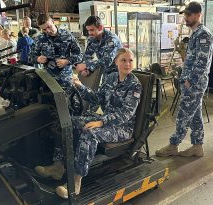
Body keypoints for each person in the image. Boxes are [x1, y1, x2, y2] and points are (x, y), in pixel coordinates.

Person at [34, 48, 142, 198]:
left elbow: (126, 114)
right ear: (116, 61)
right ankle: (58, 166)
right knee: (67, 122)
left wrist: (100, 122)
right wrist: (80, 86)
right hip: (105, 120)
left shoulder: (134, 85)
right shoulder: (110, 78)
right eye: (123, 60)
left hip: (122, 127)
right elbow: (98, 98)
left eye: (130, 60)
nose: (127, 64)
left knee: (90, 134)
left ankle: (76, 181)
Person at [155, 2, 213, 157]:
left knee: (183, 114)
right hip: (189, 81)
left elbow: (202, 62)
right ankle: (197, 146)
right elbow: (191, 59)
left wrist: (190, 80)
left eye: (189, 15)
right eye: (185, 15)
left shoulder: (203, 35)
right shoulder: (195, 34)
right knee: (195, 115)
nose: (186, 18)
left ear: (198, 14)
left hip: (194, 83)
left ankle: (173, 145)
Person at [30, 14, 82, 92]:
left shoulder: (67, 35)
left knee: (69, 102)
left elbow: (79, 55)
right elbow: (30, 56)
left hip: (66, 80)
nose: (47, 31)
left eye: (49, 26)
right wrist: (37, 59)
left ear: (53, 22)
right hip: (48, 81)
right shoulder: (39, 39)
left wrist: (67, 61)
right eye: (44, 29)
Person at [75, 16, 122, 81]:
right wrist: (87, 70)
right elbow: (87, 56)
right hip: (105, 74)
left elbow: (107, 61)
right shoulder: (92, 39)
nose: (89, 33)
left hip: (118, 75)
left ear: (100, 28)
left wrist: (86, 65)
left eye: (92, 30)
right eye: (88, 30)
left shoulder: (112, 40)